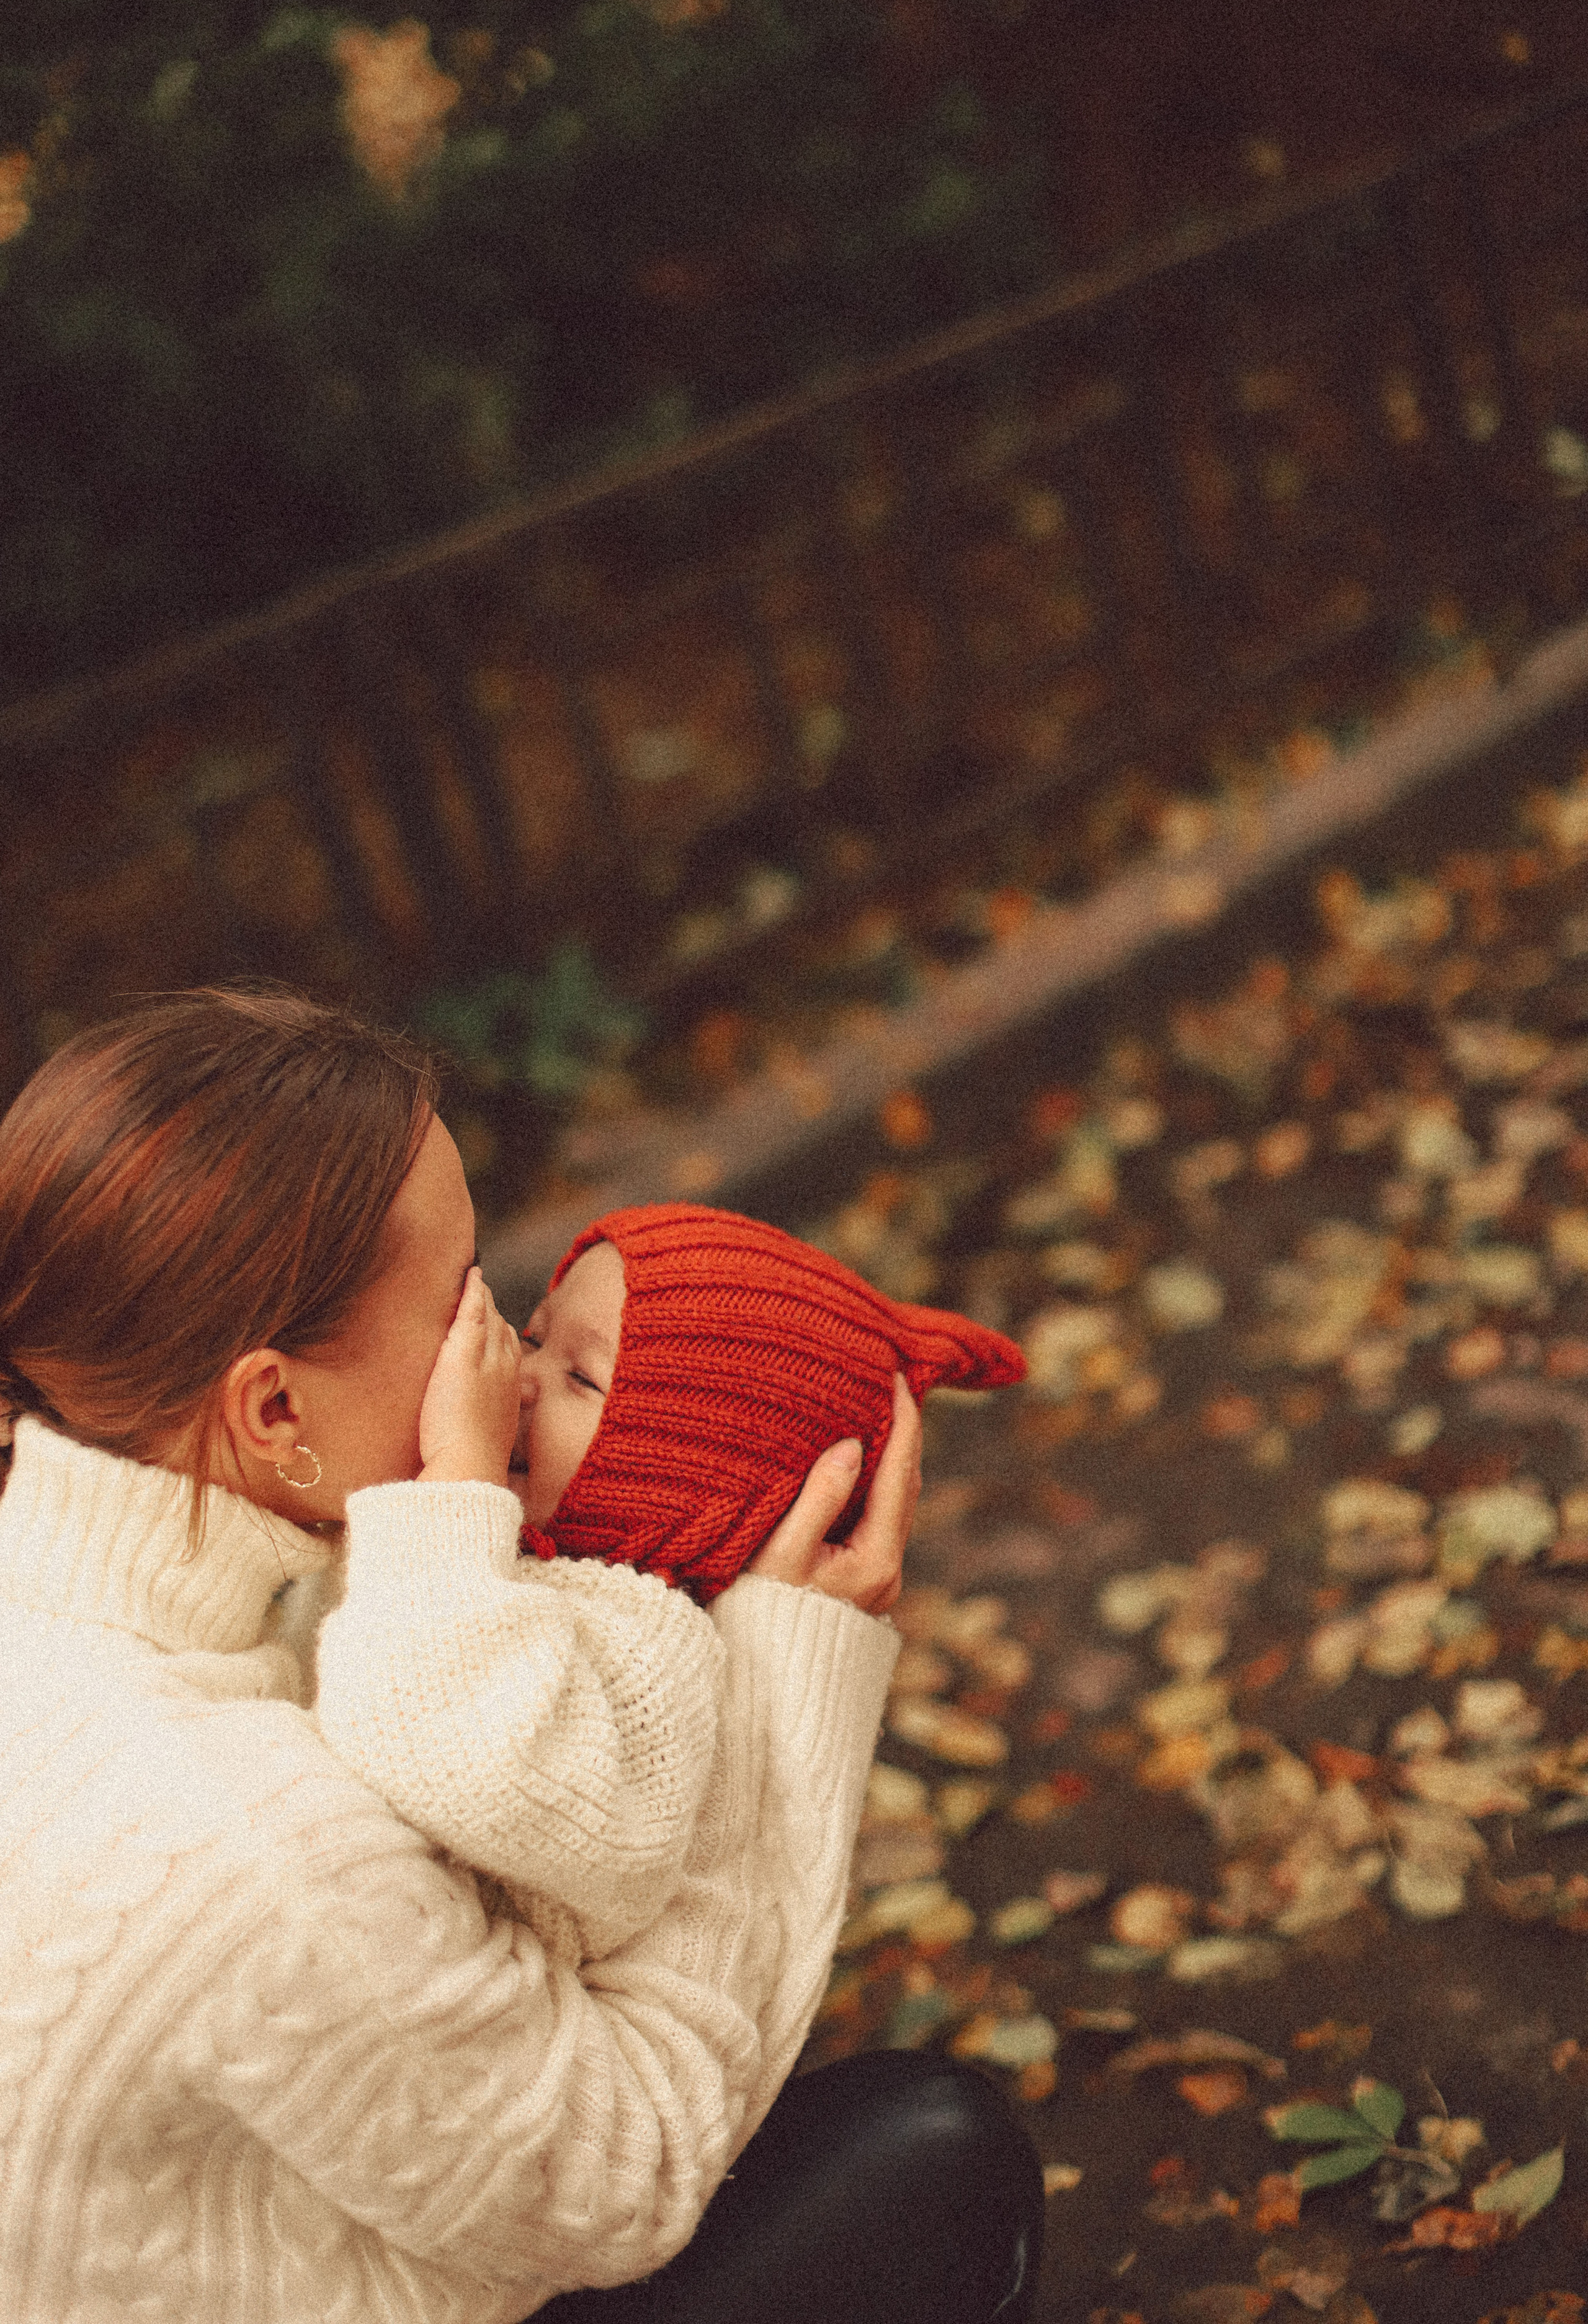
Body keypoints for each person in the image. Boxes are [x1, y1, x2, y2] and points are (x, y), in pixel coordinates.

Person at [0, 985, 1044, 2324]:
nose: (493, 1346)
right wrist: (781, 1686)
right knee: (929, 2155)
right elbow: (627, 2177)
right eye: (457, 1303)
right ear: (272, 1406)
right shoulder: (249, 1847)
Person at [314, 1202, 1026, 1965]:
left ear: (701, 1481)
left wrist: (448, 1490)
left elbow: (466, 1761)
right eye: (535, 1336)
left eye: (582, 1378)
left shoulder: (643, 1647)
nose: (517, 1379)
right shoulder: (510, 1555)